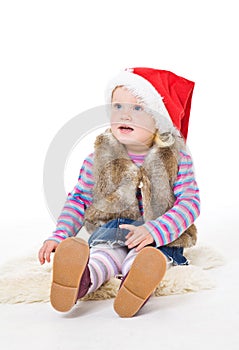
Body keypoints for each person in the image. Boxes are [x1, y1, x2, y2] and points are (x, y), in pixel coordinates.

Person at [38, 67, 200, 317]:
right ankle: (81, 280)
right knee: (104, 254)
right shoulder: (98, 159)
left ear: (159, 119)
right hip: (112, 231)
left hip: (157, 237)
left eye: (137, 108)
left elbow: (189, 203)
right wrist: (59, 235)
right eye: (118, 106)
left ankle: (135, 284)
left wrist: (154, 230)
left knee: (147, 258)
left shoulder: (177, 159)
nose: (125, 114)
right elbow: (79, 200)